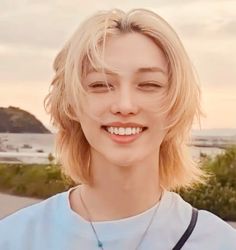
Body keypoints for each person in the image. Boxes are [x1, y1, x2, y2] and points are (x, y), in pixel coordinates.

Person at [0, 8, 235, 250]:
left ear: (175, 104)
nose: (125, 105)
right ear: (71, 105)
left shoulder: (218, 242)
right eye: (100, 84)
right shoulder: (15, 238)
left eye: (149, 84)